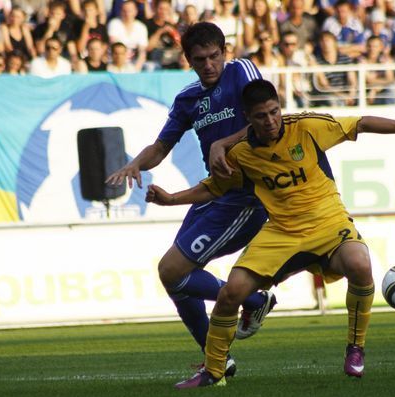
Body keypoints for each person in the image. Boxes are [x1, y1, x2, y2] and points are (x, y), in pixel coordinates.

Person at [144, 79, 395, 388]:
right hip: (282, 232)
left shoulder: (306, 127)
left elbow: (363, 122)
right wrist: (171, 199)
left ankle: (355, 347)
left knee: (359, 263)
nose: (270, 121)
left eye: (274, 112)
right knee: (231, 293)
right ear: (247, 118)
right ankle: (213, 371)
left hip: (328, 223)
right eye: (261, 116)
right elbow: (214, 188)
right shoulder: (241, 153)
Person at [104, 22, 276, 377]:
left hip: (246, 198)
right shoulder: (188, 99)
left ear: (225, 52)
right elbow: (160, 147)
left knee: (172, 271)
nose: (209, 65)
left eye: (214, 56)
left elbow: (266, 120)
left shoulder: (241, 71)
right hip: (214, 192)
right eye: (200, 59)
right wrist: (136, 163)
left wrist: (222, 143)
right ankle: (220, 354)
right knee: (174, 278)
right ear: (188, 60)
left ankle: (251, 303)